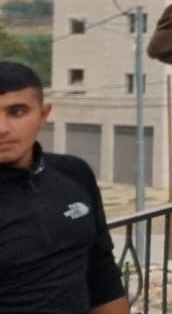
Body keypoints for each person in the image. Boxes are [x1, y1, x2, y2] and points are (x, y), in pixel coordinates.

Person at [0, 62, 130, 314]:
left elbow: (100, 269)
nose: (2, 129)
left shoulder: (74, 173)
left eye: (17, 111)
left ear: (43, 114)